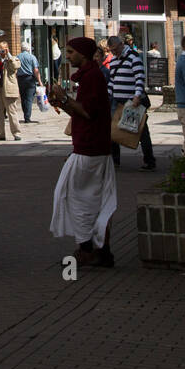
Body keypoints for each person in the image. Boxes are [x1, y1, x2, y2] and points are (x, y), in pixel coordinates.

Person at [49, 38, 117, 267]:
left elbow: (86, 112)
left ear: (83, 54)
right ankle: (99, 249)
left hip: (90, 149)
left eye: (70, 52)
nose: (67, 56)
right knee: (91, 198)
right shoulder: (91, 76)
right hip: (91, 146)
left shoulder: (92, 77)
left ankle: (88, 247)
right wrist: (62, 101)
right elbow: (82, 112)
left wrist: (65, 98)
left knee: (77, 197)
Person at [107, 33, 155, 171]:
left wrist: (137, 95)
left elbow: (140, 77)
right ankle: (115, 160)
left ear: (122, 45)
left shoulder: (134, 57)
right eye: (112, 50)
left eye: (116, 49)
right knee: (113, 130)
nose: (115, 52)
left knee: (141, 131)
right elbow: (112, 80)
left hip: (131, 101)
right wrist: (108, 95)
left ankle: (149, 160)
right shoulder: (114, 60)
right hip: (117, 100)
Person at [0, 37, 22, 140]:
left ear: (7, 49)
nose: (2, 51)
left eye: (4, 49)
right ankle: (0, 134)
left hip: (9, 89)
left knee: (12, 112)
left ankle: (16, 133)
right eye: (0, 49)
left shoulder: (13, 59)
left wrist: (8, 55)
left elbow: (15, 66)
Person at [16, 43, 43, 123]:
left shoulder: (17, 57)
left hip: (20, 79)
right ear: (28, 49)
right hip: (30, 79)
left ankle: (25, 114)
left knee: (23, 98)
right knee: (29, 99)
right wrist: (40, 81)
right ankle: (27, 117)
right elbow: (36, 70)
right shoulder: (32, 57)